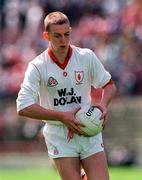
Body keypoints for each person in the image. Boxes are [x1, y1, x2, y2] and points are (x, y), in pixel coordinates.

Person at [16, 11, 117, 180]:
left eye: (67, 34)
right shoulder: (37, 66)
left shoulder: (86, 57)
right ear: (46, 35)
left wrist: (103, 105)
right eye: (57, 36)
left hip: (88, 129)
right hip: (59, 134)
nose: (63, 40)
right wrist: (62, 116)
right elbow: (23, 106)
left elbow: (109, 85)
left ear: (70, 31)